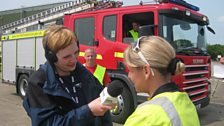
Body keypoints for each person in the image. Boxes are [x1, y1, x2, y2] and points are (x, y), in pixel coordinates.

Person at [23, 25, 114, 126]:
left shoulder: (84, 74)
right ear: (51, 57)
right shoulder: (38, 83)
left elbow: (104, 114)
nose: (74, 60)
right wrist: (89, 111)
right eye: (66, 57)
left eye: (76, 52)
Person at [123, 36, 200, 126]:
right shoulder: (186, 102)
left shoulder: (144, 117)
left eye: (131, 71)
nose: (129, 76)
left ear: (146, 71)